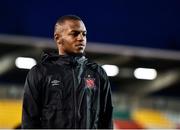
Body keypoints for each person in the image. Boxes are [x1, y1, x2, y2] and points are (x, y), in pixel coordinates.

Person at [21, 15, 113, 129]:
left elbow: (106, 119)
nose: (81, 38)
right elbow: (30, 120)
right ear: (58, 38)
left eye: (84, 34)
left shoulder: (97, 73)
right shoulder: (40, 73)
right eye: (74, 33)